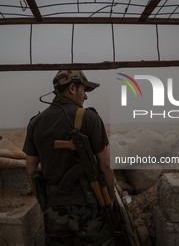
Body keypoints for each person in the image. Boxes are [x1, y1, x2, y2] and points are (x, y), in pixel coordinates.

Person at [23, 70, 115, 245]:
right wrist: (109, 199)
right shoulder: (89, 118)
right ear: (72, 88)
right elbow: (106, 165)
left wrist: (44, 203)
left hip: (54, 213)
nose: (85, 97)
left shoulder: (35, 123)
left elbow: (30, 169)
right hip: (89, 209)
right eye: (83, 90)